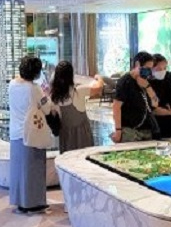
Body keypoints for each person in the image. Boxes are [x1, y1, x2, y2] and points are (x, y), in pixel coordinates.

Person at [8, 56, 54, 214]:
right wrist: (47, 93)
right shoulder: (34, 88)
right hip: (32, 132)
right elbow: (47, 108)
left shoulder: (12, 84)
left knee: (19, 169)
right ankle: (33, 203)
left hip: (15, 132)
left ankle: (19, 200)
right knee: (33, 169)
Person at [50, 61, 104, 153]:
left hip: (65, 136)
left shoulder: (54, 97)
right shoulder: (79, 91)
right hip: (82, 135)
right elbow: (99, 87)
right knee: (83, 158)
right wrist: (99, 77)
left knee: (68, 159)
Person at [111, 52, 160, 143]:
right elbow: (116, 106)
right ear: (137, 65)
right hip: (130, 130)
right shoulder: (125, 82)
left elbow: (155, 104)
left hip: (147, 129)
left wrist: (148, 87)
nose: (148, 72)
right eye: (147, 68)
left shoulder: (147, 81)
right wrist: (118, 130)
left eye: (151, 69)